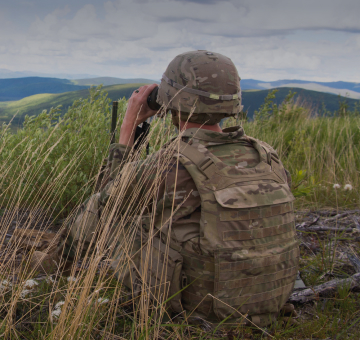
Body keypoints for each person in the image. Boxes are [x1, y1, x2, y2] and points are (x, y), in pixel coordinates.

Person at [31, 50, 299, 326]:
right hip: (266, 300)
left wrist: (128, 128)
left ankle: (51, 265)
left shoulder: (172, 166)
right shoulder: (266, 156)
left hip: (204, 312)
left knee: (126, 217)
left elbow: (109, 202)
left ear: (174, 99)